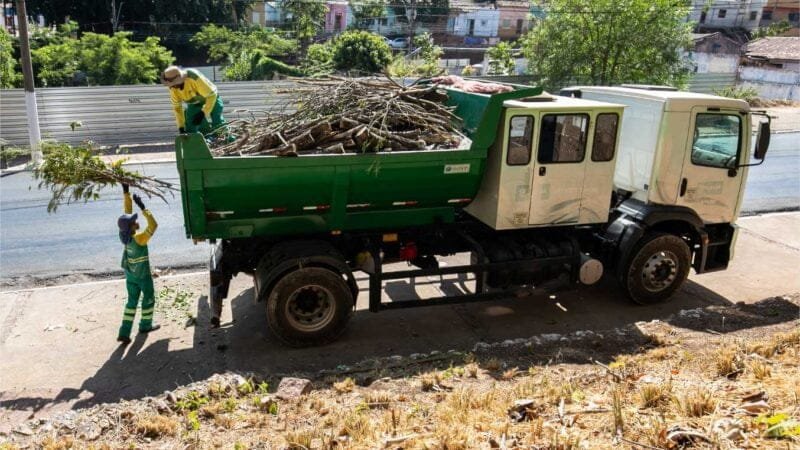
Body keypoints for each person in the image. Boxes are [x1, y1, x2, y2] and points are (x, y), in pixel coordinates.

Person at [116, 184, 159, 345]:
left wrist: (126, 192)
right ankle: (145, 326)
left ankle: (124, 331)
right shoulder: (140, 239)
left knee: (131, 302)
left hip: (130, 275)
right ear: (132, 227)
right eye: (134, 222)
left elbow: (126, 215)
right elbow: (153, 225)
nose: (136, 221)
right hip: (143, 276)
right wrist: (143, 208)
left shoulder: (124, 236)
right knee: (148, 299)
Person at [160, 65, 226, 135]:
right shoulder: (173, 88)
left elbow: (211, 96)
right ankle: (204, 142)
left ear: (179, 79)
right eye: (171, 84)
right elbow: (177, 108)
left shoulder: (194, 77)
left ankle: (227, 139)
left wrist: (203, 113)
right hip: (194, 103)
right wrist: (181, 127)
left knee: (217, 122)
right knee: (191, 126)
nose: (172, 86)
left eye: (173, 84)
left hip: (211, 98)